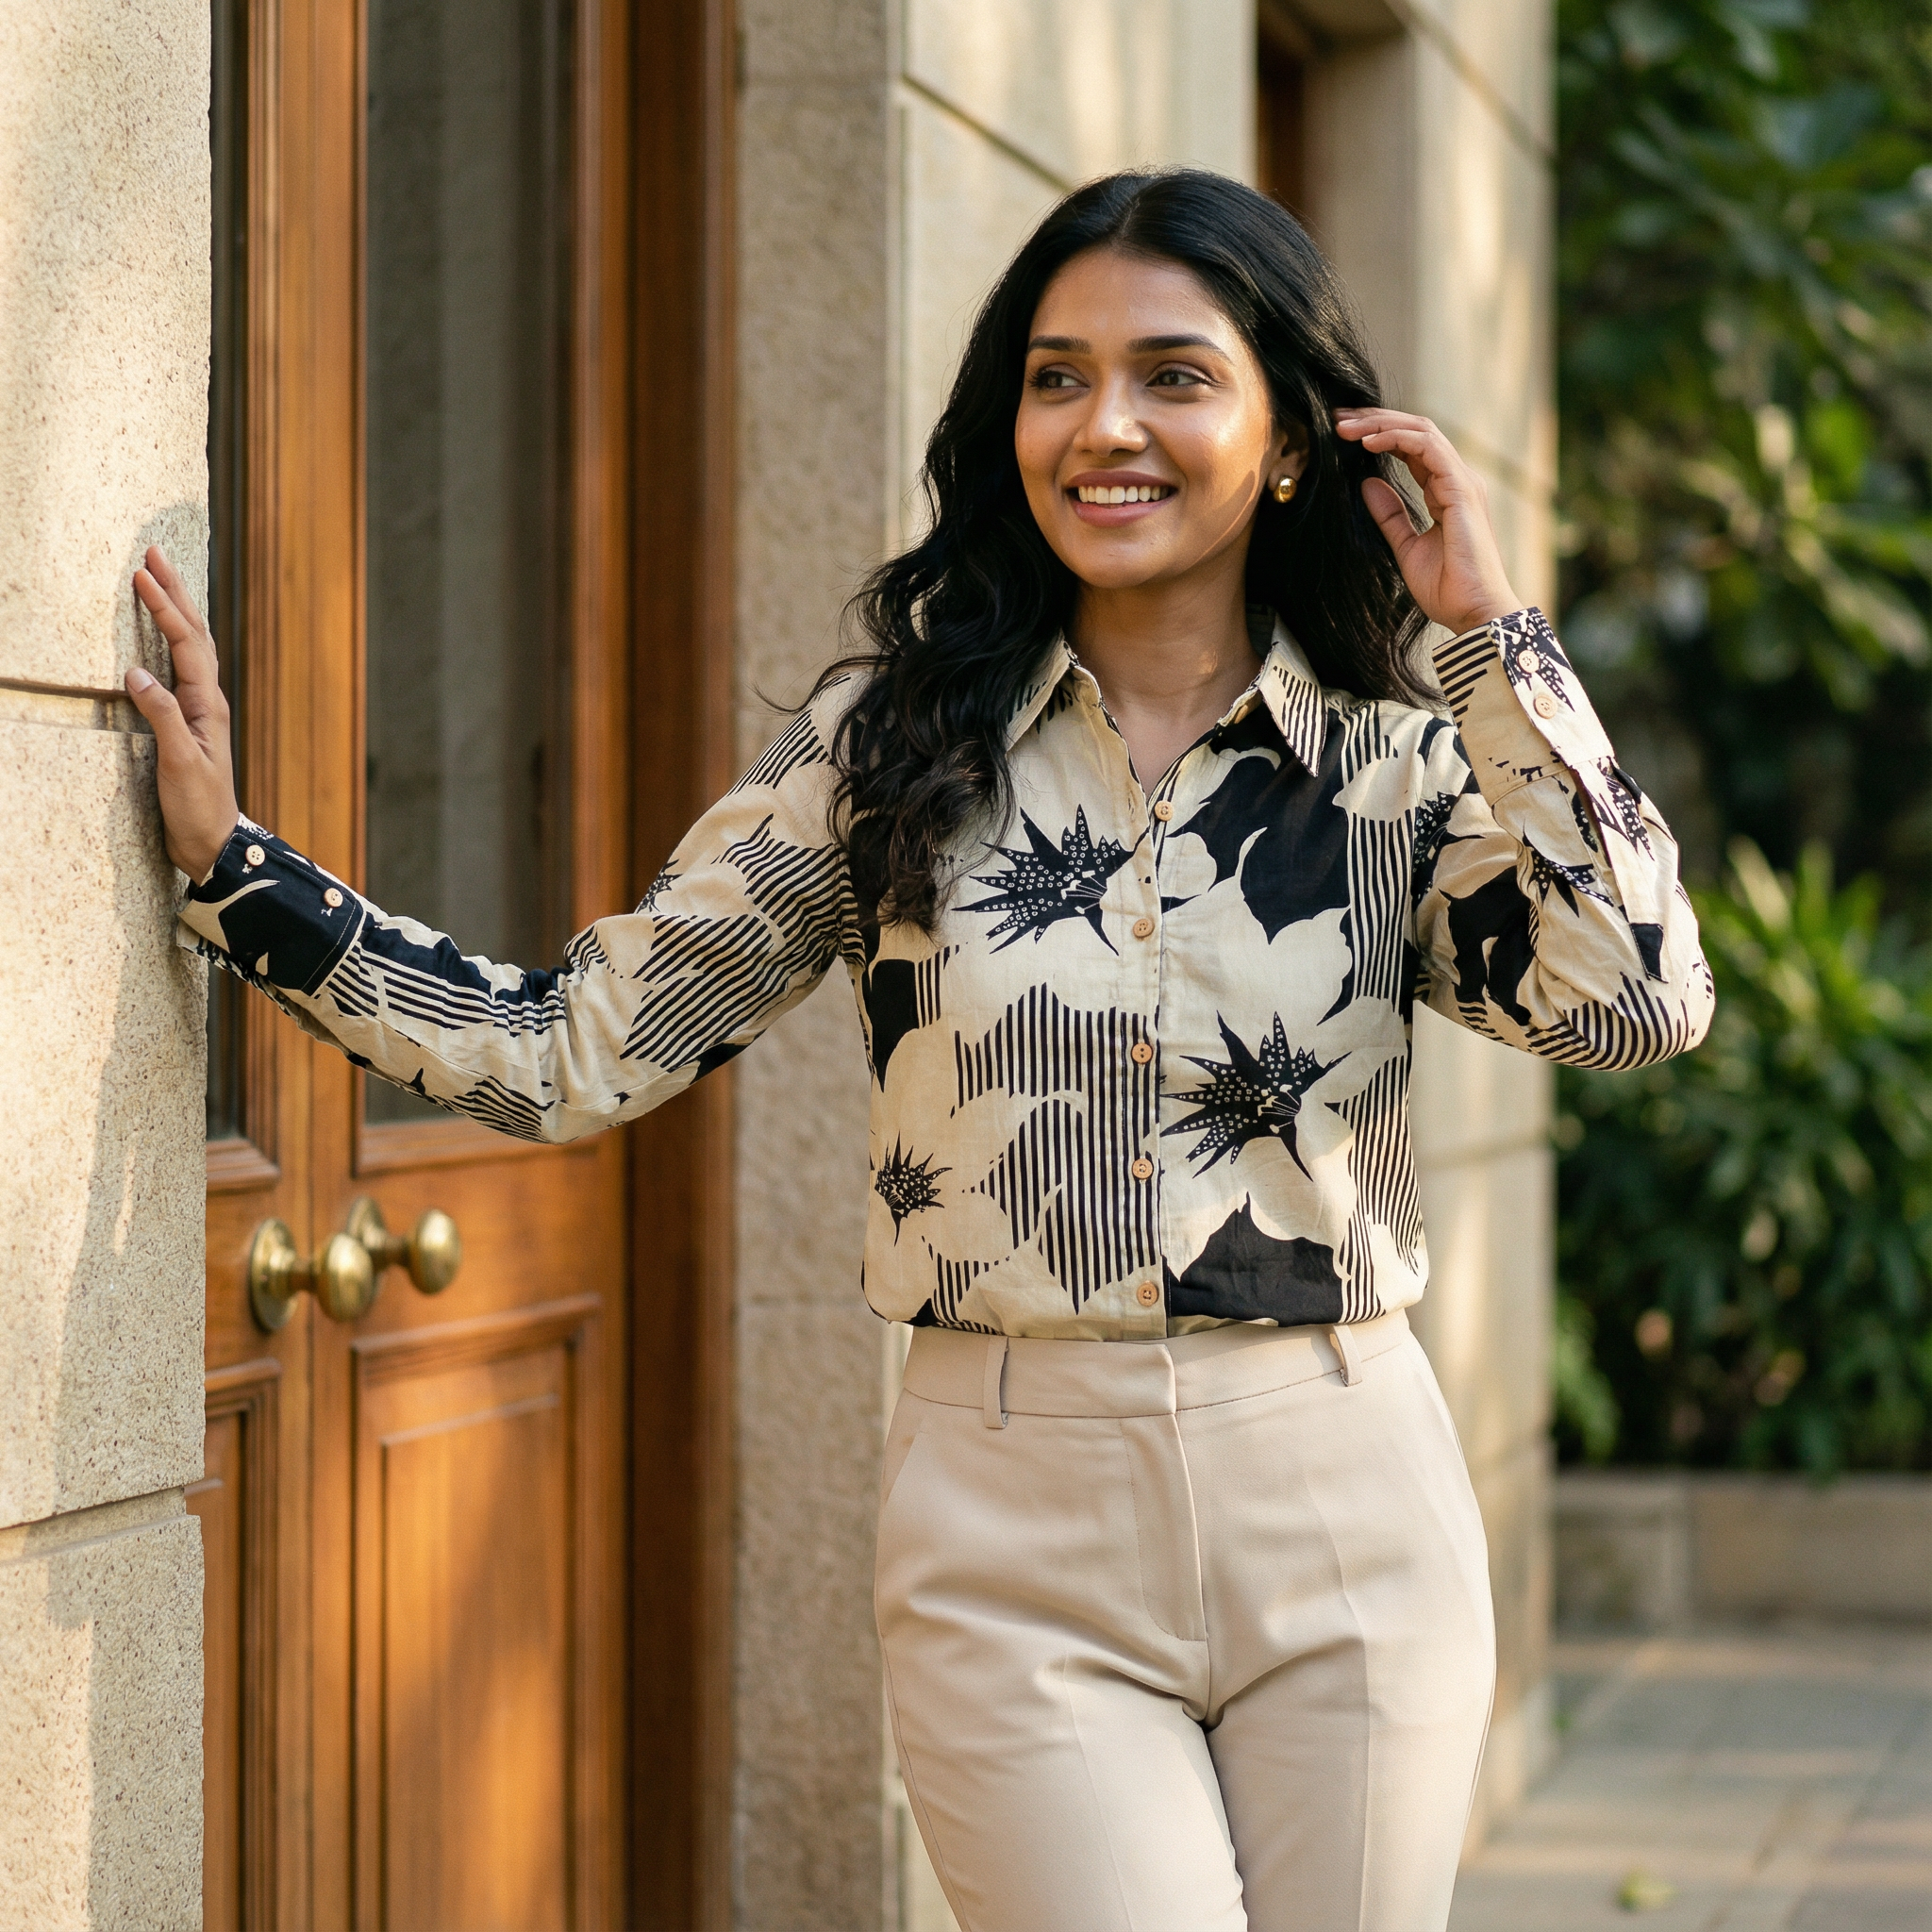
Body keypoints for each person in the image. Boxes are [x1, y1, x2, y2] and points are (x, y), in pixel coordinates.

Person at [128, 169, 1711, 1931]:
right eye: (1056, 376)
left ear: (1287, 440)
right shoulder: (890, 750)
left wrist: (1491, 639)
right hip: (1012, 1531)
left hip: (1347, 1496)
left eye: (1175, 375)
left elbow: (1635, 997)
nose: (1104, 425)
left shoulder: (1399, 770)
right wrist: (234, 874)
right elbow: (566, 1049)